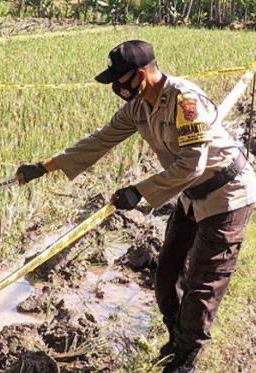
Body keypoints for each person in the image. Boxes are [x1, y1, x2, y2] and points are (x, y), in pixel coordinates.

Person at [15, 40, 256, 373]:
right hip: (190, 193)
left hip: (226, 192)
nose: (116, 87)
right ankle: (175, 338)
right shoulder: (140, 106)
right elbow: (100, 139)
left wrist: (138, 192)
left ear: (141, 74)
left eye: (120, 79)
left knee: (203, 282)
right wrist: (45, 167)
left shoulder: (184, 102)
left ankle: (186, 358)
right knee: (167, 273)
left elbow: (191, 165)